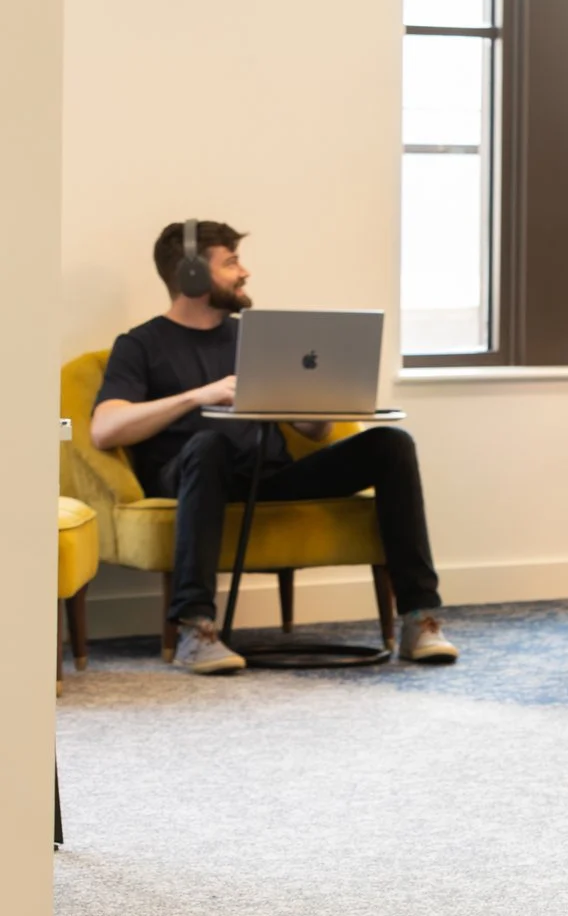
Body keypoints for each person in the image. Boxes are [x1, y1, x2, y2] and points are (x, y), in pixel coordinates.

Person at [90, 221, 458, 674]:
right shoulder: (140, 344)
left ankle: (420, 618)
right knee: (210, 445)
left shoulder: (256, 336)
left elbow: (312, 433)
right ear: (190, 275)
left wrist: (322, 403)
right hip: (194, 477)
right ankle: (196, 628)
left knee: (391, 444)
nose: (244, 272)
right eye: (230, 262)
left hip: (268, 474)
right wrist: (197, 396)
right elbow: (104, 429)